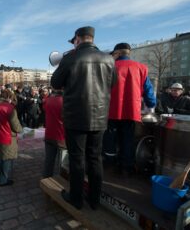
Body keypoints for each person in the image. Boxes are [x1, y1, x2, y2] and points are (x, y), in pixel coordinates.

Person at [51, 26, 117, 210]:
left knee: (77, 158)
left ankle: (76, 198)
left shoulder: (71, 57)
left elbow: (55, 83)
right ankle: (94, 200)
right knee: (95, 158)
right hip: (100, 116)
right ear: (92, 39)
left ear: (78, 39)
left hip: (76, 117)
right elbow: (114, 83)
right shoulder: (109, 59)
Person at [104, 43, 156, 174]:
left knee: (110, 138)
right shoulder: (141, 68)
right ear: (128, 53)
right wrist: (151, 105)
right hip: (131, 111)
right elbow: (149, 90)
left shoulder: (109, 67)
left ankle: (109, 164)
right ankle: (126, 167)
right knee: (127, 139)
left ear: (117, 53)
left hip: (111, 111)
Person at [0, 89, 22, 186]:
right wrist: (20, 130)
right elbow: (16, 126)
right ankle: (4, 180)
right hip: (6, 135)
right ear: (8, 97)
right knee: (7, 158)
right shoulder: (9, 108)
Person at [43, 89, 65, 178]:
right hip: (61, 136)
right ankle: (62, 181)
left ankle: (46, 180)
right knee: (63, 163)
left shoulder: (48, 100)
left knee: (49, 160)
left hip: (49, 134)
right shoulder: (65, 101)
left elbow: (44, 108)